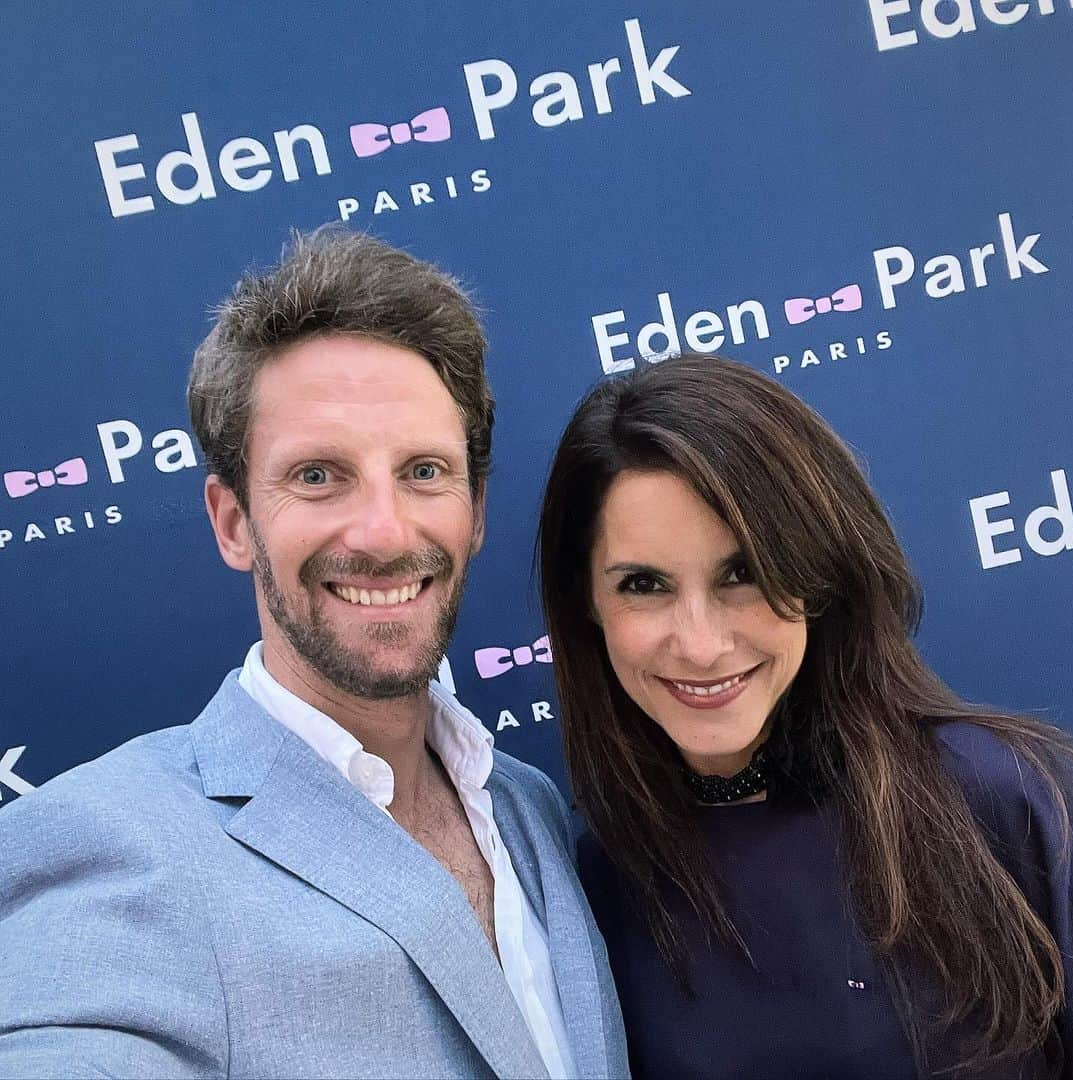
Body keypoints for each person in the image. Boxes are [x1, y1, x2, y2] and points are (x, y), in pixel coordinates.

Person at [0, 228, 627, 1080]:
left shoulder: (528, 805)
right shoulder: (115, 844)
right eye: (318, 476)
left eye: (423, 472)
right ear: (232, 522)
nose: (383, 532)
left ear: (475, 511)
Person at [537, 352, 1073, 1079]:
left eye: (744, 573)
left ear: (821, 573)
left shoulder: (1006, 798)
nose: (700, 644)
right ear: (588, 606)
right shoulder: (592, 887)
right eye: (644, 584)